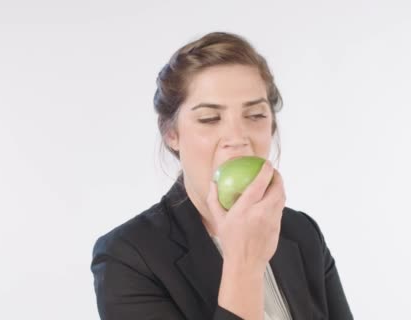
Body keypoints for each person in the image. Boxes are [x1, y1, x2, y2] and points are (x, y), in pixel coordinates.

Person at [90, 32, 354, 320]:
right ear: (171, 133)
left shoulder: (301, 232)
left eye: (255, 115)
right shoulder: (127, 257)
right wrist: (246, 264)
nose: (237, 138)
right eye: (209, 119)